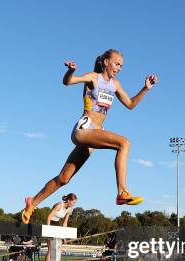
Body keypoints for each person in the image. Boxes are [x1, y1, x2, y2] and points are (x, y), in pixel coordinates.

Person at [21, 49, 158, 224]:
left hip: (95, 136)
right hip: (83, 129)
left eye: (121, 66)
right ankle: (122, 192)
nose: (119, 68)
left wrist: (145, 89)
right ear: (106, 62)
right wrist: (70, 71)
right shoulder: (93, 77)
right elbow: (68, 82)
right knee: (124, 143)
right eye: (117, 64)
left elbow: (130, 104)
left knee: (64, 178)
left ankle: (32, 203)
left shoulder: (115, 85)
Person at [44, 194, 77, 261]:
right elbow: (49, 217)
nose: (74, 204)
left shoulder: (69, 209)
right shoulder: (59, 205)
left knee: (59, 249)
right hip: (50, 223)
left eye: (75, 203)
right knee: (51, 250)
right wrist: (48, 230)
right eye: (73, 202)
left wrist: (64, 236)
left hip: (57, 225)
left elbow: (65, 223)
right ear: (68, 200)